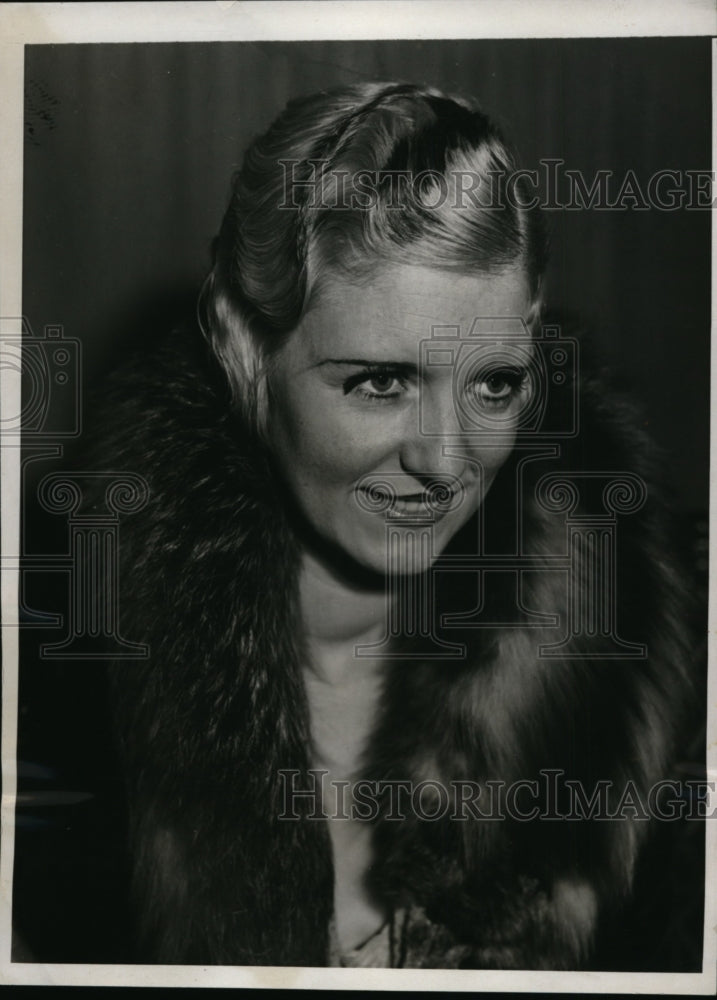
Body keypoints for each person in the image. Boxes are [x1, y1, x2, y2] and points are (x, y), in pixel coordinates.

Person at [74, 82, 698, 968]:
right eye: (378, 383)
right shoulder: (65, 676)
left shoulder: (649, 668)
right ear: (243, 347)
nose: (447, 463)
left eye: (494, 385)